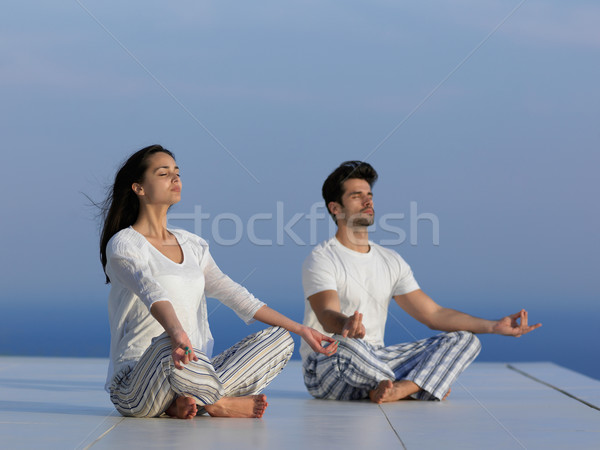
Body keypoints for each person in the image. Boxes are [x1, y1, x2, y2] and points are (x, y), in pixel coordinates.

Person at [100, 145, 337, 420]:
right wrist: (177, 333)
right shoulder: (124, 244)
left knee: (280, 338)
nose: (175, 178)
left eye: (177, 172)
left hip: (190, 370)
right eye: (163, 173)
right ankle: (216, 403)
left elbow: (235, 294)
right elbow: (149, 290)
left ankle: (186, 401)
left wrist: (302, 329)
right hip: (136, 383)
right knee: (167, 344)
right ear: (139, 188)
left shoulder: (193, 245)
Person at [301, 160, 541, 403]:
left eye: (369, 195)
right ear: (336, 208)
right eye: (356, 196)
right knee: (347, 346)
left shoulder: (390, 261)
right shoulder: (322, 258)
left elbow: (434, 314)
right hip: (328, 364)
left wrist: (494, 326)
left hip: (377, 360)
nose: (368, 201)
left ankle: (398, 389)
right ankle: (419, 385)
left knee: (465, 339)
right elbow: (326, 313)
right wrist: (345, 323)